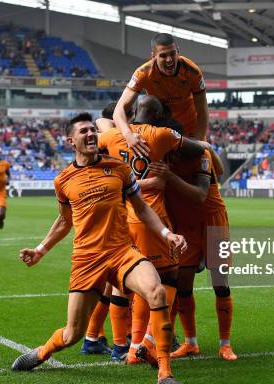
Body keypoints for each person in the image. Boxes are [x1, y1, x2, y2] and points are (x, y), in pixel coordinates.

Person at [11, 113, 186, 384]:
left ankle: (165, 373)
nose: (91, 134)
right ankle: (42, 352)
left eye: (93, 129)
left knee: (156, 291)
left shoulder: (118, 168)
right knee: (72, 334)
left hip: (122, 252)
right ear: (71, 140)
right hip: (87, 260)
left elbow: (141, 207)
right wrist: (40, 250)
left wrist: (167, 233)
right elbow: (63, 221)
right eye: (84, 131)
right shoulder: (63, 181)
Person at [98, 95, 203, 364]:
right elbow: (195, 149)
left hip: (122, 220)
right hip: (150, 218)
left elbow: (99, 129)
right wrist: (202, 145)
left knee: (125, 285)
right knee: (168, 279)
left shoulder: (111, 137)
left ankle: (123, 345)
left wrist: (118, 123)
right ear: (156, 115)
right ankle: (144, 342)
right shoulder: (160, 134)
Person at [148, 144, 237, 362]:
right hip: (184, 225)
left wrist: (170, 175)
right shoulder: (161, 152)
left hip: (212, 221)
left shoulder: (200, 154)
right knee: (183, 286)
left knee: (220, 283)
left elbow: (200, 194)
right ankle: (191, 343)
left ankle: (225, 344)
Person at [113, 33, 208, 157]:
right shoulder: (143, 73)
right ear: (153, 56)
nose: (169, 60)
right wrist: (128, 135)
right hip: (161, 131)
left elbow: (203, 111)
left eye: (172, 53)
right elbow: (119, 110)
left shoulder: (192, 71)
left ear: (178, 51)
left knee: (212, 164)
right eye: (163, 56)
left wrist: (198, 139)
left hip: (189, 129)